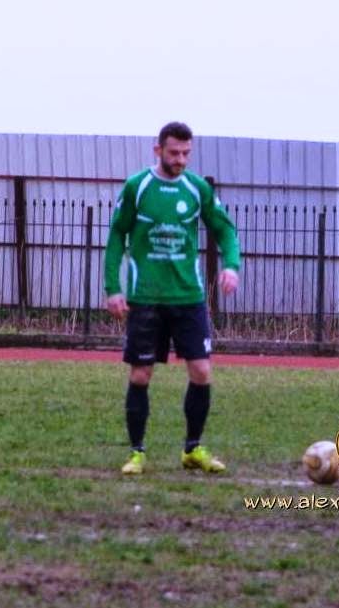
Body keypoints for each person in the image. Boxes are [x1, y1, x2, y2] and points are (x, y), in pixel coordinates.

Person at [103, 121, 241, 476]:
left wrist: (231, 265)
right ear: (158, 150)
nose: (180, 159)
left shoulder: (197, 188)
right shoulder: (138, 186)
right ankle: (137, 453)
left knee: (202, 371)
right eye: (174, 153)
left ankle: (192, 449)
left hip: (188, 296)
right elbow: (117, 235)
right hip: (146, 297)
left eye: (186, 153)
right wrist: (112, 287)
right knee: (141, 374)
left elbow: (224, 229)